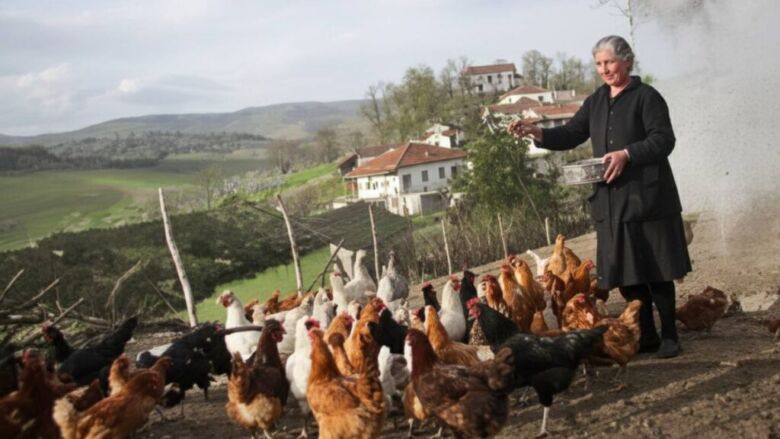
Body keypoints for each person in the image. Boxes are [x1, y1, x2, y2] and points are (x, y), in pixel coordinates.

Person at [508, 35, 691, 359]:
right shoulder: (596, 101)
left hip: (649, 200)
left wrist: (626, 154)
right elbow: (571, 134)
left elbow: (664, 140)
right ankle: (646, 335)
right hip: (612, 202)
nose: (604, 69)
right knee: (629, 275)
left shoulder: (647, 97)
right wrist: (537, 132)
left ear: (627, 61)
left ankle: (670, 336)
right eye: (599, 64)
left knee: (658, 272)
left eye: (609, 62)